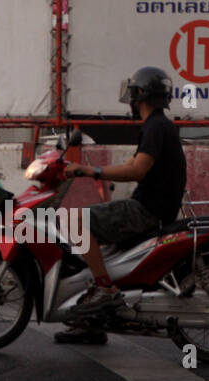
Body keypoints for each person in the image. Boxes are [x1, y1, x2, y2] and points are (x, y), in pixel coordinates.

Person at [57, 66, 187, 344]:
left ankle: (106, 291)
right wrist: (91, 170)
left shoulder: (155, 126)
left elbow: (137, 170)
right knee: (97, 249)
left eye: (134, 94)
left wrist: (92, 172)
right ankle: (92, 321)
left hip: (147, 210)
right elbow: (132, 164)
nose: (131, 100)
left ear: (141, 95)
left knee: (76, 221)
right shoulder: (158, 125)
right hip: (154, 207)